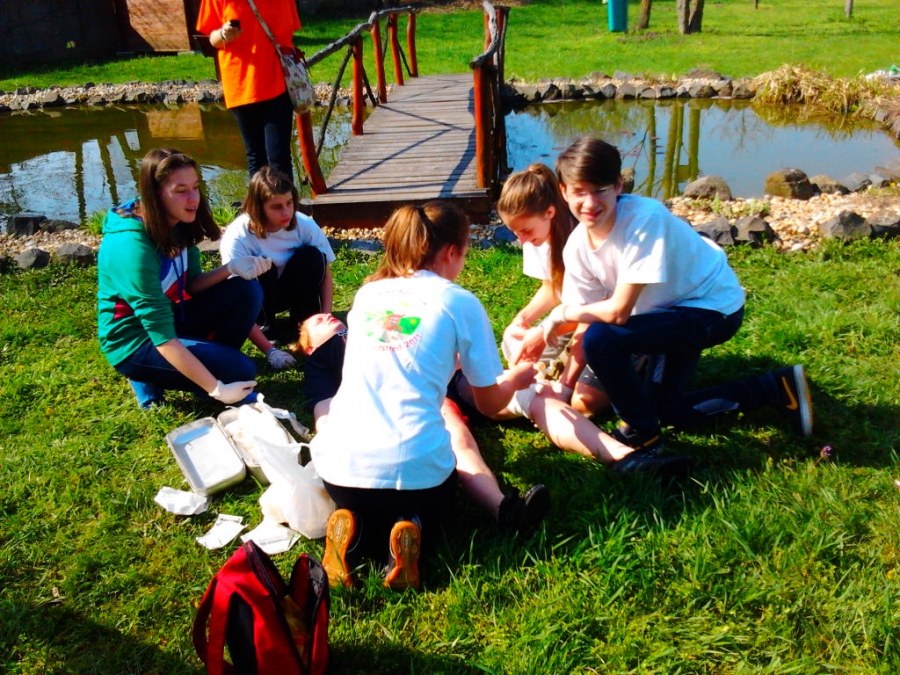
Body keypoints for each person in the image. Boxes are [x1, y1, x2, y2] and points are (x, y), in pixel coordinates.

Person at [308, 202, 536, 592]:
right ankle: (412, 528)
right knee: (435, 502)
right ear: (453, 251)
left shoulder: (367, 294)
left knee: (363, 504)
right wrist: (517, 378)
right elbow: (489, 404)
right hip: (415, 473)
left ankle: (352, 532)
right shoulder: (459, 302)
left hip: (339, 471)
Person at [540, 137, 813, 454]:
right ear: (563, 191)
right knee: (665, 409)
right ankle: (776, 387)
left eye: (599, 190)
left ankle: (642, 435)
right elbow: (585, 318)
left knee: (603, 339)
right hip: (665, 314)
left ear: (618, 186)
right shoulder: (577, 247)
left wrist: (560, 314)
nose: (589, 203)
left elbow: (616, 313)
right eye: (579, 192)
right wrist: (564, 386)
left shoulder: (644, 217)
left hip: (711, 309)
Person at [297, 312, 550, 536]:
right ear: (309, 347)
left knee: (468, 423)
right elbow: (324, 408)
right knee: (457, 439)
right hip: (401, 401)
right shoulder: (323, 355)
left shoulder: (365, 323)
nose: (327, 316)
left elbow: (417, 338)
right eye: (317, 322)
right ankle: (500, 507)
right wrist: (330, 434)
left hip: (434, 382)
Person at [97, 148, 271, 409]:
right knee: (240, 370)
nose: (193, 198)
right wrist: (216, 388)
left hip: (172, 317)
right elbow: (162, 335)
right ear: (154, 194)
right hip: (137, 340)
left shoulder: (176, 219)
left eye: (195, 187)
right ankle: (151, 376)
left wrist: (231, 268)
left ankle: (206, 370)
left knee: (246, 290)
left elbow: (192, 285)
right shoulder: (131, 247)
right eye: (181, 191)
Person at [220, 167, 335, 346]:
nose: (286, 212)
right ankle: (266, 328)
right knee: (262, 265)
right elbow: (237, 294)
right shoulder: (237, 236)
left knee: (312, 256)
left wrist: (327, 315)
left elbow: (325, 271)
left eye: (289, 203)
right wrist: (269, 350)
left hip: (292, 289)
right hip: (259, 298)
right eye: (276, 207)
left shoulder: (304, 224)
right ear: (258, 208)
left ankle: (307, 319)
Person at [197, 0, 300, 182]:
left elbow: (288, 31)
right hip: (241, 82)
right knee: (256, 156)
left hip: (278, 79)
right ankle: (260, 200)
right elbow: (212, 39)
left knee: (279, 156)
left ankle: (286, 200)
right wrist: (223, 34)